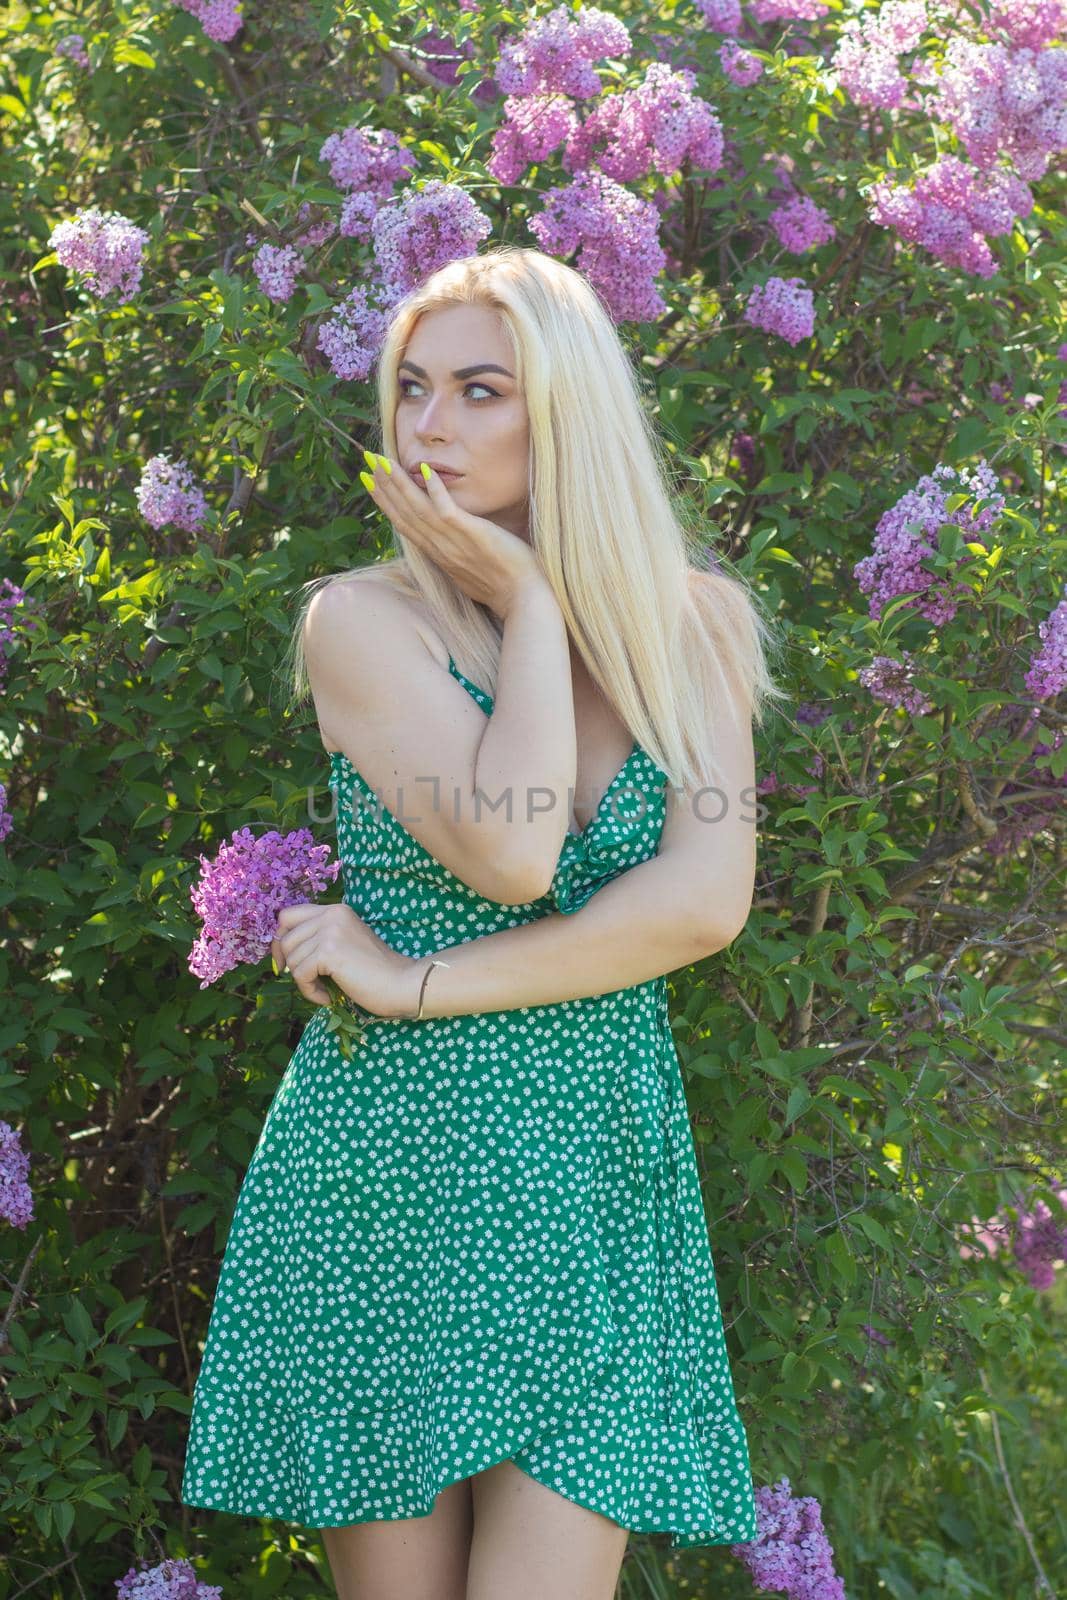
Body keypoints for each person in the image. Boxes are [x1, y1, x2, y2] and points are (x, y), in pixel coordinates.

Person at [180, 245, 786, 1600]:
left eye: (479, 390)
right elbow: (516, 851)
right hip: (391, 1173)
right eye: (410, 390)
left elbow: (698, 905)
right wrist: (525, 608)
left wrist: (417, 982)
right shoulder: (364, 623)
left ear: (563, 411)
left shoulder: (696, 631)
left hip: (591, 1176)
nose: (430, 426)